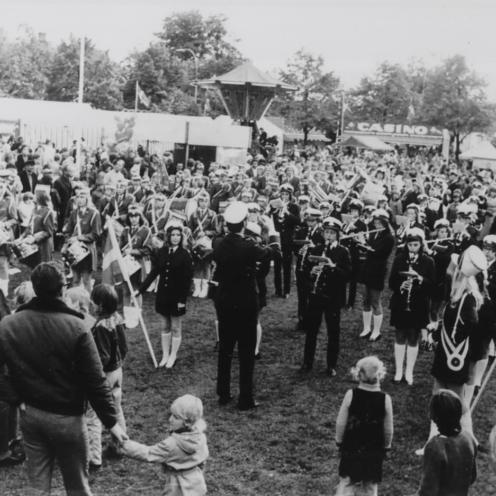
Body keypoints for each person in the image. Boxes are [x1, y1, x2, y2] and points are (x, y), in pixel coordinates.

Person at [0, 262, 126, 495]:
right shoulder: (77, 326)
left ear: (35, 288)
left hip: (31, 415)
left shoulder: (9, 324)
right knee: (77, 485)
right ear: (62, 288)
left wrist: (15, 397)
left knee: (36, 486)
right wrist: (112, 422)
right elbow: (95, 381)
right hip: (68, 419)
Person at [214, 201, 269, 410]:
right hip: (245, 303)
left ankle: (223, 393)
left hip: (225, 301)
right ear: (244, 222)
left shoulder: (218, 243)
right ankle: (245, 398)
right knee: (246, 353)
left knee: (225, 350)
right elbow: (267, 254)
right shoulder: (248, 246)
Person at [122, 394, 208, 496]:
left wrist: (123, 445)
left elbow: (148, 453)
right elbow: (203, 459)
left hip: (177, 487)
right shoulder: (200, 437)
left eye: (176, 417)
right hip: (196, 484)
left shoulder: (171, 445)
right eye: (171, 414)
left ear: (187, 422)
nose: (170, 419)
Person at [335, 356, 393, 496]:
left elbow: (341, 422)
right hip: (374, 449)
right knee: (370, 484)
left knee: (347, 480)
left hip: (351, 447)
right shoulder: (385, 399)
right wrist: (387, 445)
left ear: (359, 375)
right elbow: (388, 428)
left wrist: (339, 440)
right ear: (380, 375)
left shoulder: (351, 395)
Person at [138, 222, 193, 369]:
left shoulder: (185, 255)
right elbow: (154, 273)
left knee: (176, 327)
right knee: (164, 325)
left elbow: (187, 281)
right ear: (168, 236)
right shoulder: (162, 252)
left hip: (177, 297)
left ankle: (173, 354)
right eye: (173, 235)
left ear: (181, 237)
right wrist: (140, 290)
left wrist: (182, 300)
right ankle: (165, 354)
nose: (175, 238)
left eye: (178, 235)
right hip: (163, 295)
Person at [301, 217, 351, 376]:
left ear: (337, 235)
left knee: (333, 332)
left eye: (332, 233)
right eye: (326, 233)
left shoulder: (343, 252)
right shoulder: (316, 249)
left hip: (333, 297)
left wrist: (332, 267)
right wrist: (312, 272)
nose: (328, 236)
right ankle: (307, 362)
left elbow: (348, 275)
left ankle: (331, 365)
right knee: (311, 330)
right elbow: (305, 273)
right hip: (316, 296)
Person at [86, 284, 128, 470]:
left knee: (93, 413)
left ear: (100, 305)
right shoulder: (118, 319)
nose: (91, 305)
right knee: (116, 408)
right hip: (118, 370)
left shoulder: (101, 326)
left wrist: (95, 371)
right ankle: (120, 445)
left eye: (93, 301)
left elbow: (101, 356)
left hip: (106, 374)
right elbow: (124, 347)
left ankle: (94, 457)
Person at [389, 228, 435, 385]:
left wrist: (420, 279)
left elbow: (432, 286)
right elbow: (391, 282)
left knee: (413, 337)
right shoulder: (399, 259)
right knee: (400, 335)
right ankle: (398, 371)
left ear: (421, 244)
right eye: (410, 245)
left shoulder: (428, 261)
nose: (413, 248)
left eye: (416, 245)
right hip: (401, 304)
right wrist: (400, 285)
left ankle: (409, 371)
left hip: (418, 305)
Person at [416, 390, 477, 496]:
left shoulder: (435, 446)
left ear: (434, 417)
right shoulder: (468, 438)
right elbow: (472, 477)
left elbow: (428, 490)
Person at [359, 209, 395, 341]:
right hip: (367, 269)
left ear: (385, 223)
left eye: (380, 223)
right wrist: (363, 242)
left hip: (377, 271)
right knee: (365, 300)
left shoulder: (389, 238)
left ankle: (376, 331)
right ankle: (366, 328)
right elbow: (370, 249)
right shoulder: (374, 234)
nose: (377, 225)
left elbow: (379, 253)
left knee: (375, 300)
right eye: (375, 223)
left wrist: (364, 244)